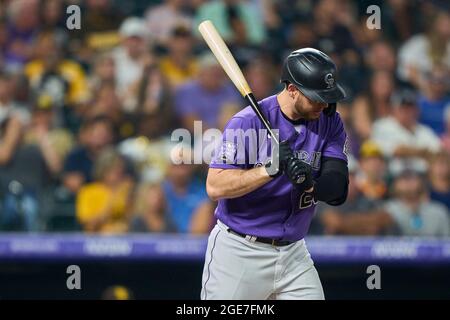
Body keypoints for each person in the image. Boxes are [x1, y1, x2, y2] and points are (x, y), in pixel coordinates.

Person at [201, 48, 349, 300]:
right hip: (240, 250)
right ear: (292, 89)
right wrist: (268, 170)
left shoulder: (329, 121)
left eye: (327, 97)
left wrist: (309, 182)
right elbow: (215, 187)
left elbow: (337, 188)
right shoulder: (247, 121)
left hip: (294, 253)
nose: (324, 104)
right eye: (316, 97)